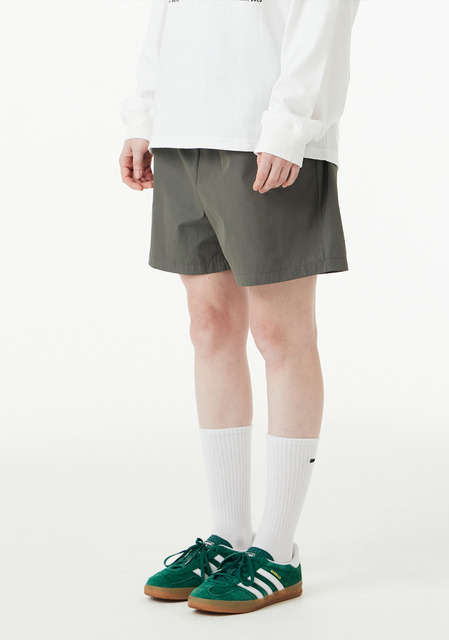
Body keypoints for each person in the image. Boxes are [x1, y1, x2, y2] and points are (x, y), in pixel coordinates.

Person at [119, 0, 360, 614]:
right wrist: (144, 114)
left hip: (264, 132)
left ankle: (277, 550)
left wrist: (290, 122)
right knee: (210, 326)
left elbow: (324, 13)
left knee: (281, 334)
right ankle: (228, 535)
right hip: (183, 132)